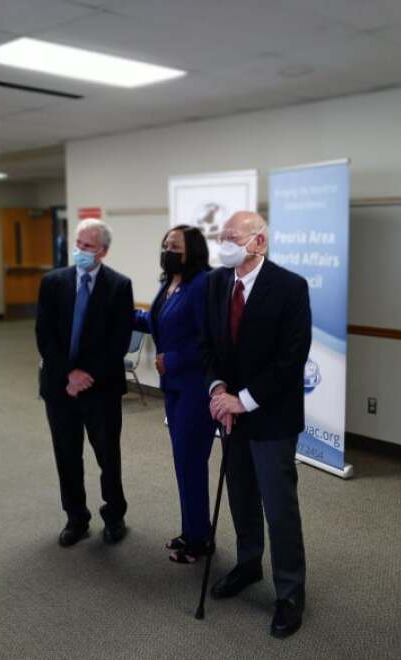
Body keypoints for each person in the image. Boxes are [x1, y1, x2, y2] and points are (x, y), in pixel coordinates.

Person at [201, 211, 312, 639]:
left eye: (232, 236)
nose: (224, 243)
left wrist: (242, 400)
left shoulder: (289, 287)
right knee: (241, 494)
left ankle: (289, 592)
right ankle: (249, 563)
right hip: (230, 413)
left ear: (259, 242)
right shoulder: (215, 283)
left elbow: (291, 358)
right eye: (222, 236)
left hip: (271, 417)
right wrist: (217, 391)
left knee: (279, 506)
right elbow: (207, 344)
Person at [35, 219, 134, 547]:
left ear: (103, 251)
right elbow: (44, 336)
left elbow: (117, 342)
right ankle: (76, 517)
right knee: (66, 455)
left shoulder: (119, 286)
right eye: (78, 244)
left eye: (88, 247)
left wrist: (85, 376)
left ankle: (114, 514)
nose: (80, 251)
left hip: (101, 388)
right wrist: (68, 374)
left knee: (108, 456)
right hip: (60, 388)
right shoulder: (52, 282)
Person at [134, 225, 215, 563]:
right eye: (165, 243)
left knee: (192, 462)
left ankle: (199, 541)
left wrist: (176, 359)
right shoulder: (169, 283)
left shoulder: (203, 284)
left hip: (196, 388)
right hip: (175, 389)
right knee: (184, 463)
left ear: (192, 249)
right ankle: (192, 531)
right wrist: (122, 315)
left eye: (175, 245)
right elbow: (160, 323)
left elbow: (212, 340)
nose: (168, 248)